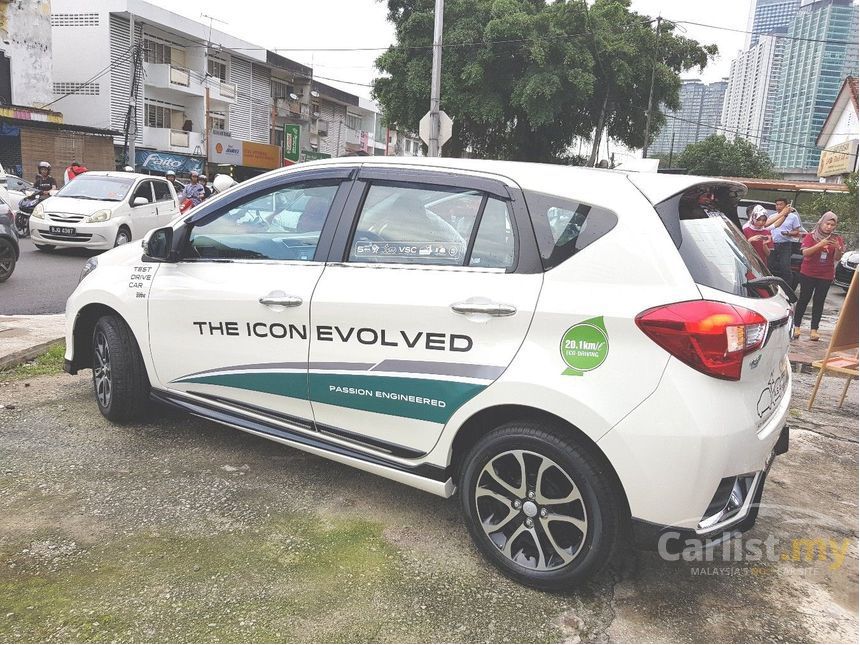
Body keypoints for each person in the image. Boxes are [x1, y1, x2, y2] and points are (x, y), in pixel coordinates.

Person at [792, 211, 844, 341]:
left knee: (819, 301)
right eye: (827, 223)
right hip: (808, 273)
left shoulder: (837, 238)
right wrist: (820, 245)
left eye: (833, 225)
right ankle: (796, 326)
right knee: (804, 298)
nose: (829, 227)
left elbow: (837, 258)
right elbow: (805, 253)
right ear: (821, 222)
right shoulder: (811, 236)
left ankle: (814, 329)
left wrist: (838, 248)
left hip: (826, 274)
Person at [767, 198, 803, 285]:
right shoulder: (772, 217)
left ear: (786, 206)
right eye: (777, 204)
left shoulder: (793, 217)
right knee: (768, 265)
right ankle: (768, 284)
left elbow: (797, 232)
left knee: (785, 267)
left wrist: (788, 233)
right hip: (772, 244)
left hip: (785, 244)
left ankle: (787, 288)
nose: (778, 206)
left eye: (781, 204)